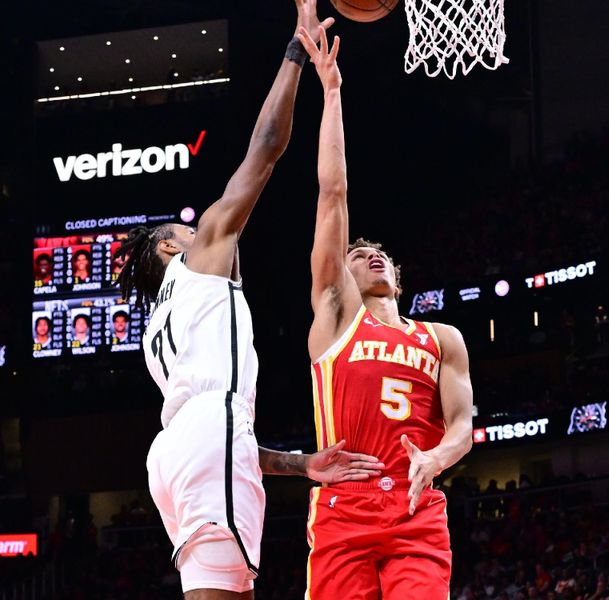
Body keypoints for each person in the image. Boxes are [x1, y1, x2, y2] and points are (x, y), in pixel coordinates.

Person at [114, 3, 383, 598]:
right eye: (183, 231)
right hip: (208, 442)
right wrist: (294, 52)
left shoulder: (155, 330)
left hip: (177, 456)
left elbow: (220, 425)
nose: (202, 229)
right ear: (165, 248)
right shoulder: (195, 258)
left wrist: (298, 464)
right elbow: (264, 152)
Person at [297, 25, 474, 598]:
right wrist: (331, 92)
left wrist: (439, 457)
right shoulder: (335, 318)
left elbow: (463, 425)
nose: (370, 255)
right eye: (357, 254)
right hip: (344, 507)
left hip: (415, 502)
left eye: (381, 255)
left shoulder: (442, 338)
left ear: (397, 278)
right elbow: (333, 194)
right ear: (340, 277)